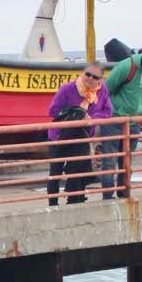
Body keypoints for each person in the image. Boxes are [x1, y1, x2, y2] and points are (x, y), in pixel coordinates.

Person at [98, 44, 142, 200]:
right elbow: (105, 90)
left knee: (126, 162)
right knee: (108, 162)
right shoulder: (127, 66)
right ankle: (108, 198)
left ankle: (124, 195)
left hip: (133, 123)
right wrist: (108, 112)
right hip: (113, 120)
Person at [46, 62, 112, 206]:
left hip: (82, 137)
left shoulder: (102, 91)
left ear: (100, 79)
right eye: (87, 74)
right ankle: (53, 203)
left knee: (79, 170)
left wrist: (92, 119)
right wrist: (74, 114)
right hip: (60, 136)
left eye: (94, 77)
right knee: (55, 172)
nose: (89, 78)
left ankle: (75, 201)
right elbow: (53, 111)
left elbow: (107, 112)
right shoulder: (68, 89)